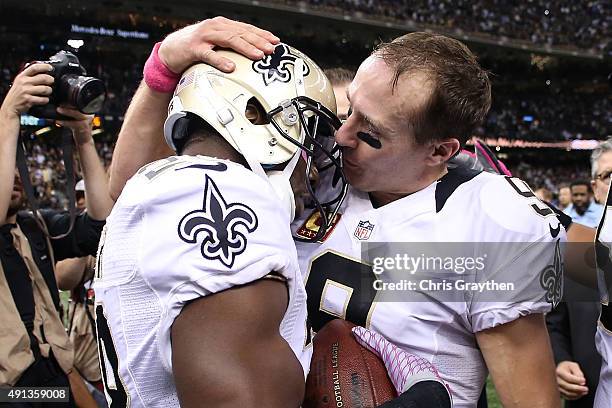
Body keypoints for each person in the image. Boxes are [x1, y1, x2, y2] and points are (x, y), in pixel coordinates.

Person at [107, 20, 561, 408]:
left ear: (439, 151)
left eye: (370, 132)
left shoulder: (490, 220)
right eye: (345, 113)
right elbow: (133, 189)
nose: (339, 137)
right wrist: (161, 70)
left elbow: (531, 400)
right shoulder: (309, 174)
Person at [95, 18, 345, 408]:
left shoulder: (170, 182)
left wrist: (161, 68)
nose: (311, 165)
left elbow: (120, 181)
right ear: (255, 115)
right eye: (308, 135)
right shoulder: (224, 192)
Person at [0, 62, 112, 405]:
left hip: (51, 380)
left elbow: (100, 223)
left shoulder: (35, 226)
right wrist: (8, 115)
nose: (17, 174)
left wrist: (83, 137)